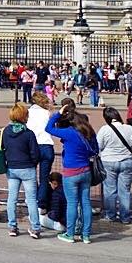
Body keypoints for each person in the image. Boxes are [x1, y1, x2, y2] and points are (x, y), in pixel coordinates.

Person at [45, 104, 98, 244]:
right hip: (86, 170)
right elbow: (95, 150)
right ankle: (86, 235)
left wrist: (58, 113)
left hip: (71, 172)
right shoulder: (88, 132)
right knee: (85, 202)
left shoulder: (69, 132)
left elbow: (48, 128)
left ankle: (70, 234)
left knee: (72, 203)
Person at [1, 102, 42, 238]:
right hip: (27, 167)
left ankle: (12, 226)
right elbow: (35, 153)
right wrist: (33, 163)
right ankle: (35, 228)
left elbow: (3, 148)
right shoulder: (28, 133)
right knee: (31, 200)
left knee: (12, 198)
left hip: (12, 167)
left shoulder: (6, 131)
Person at [96, 106, 132, 224]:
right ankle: (125, 217)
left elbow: (98, 146)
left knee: (110, 190)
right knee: (124, 191)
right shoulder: (129, 128)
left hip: (108, 161)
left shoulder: (104, 129)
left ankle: (110, 215)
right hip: (127, 161)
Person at [27, 92, 56, 212]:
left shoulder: (28, 112)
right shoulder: (47, 113)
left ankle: (32, 200)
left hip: (33, 146)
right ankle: (42, 204)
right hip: (46, 145)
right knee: (44, 178)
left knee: (30, 176)